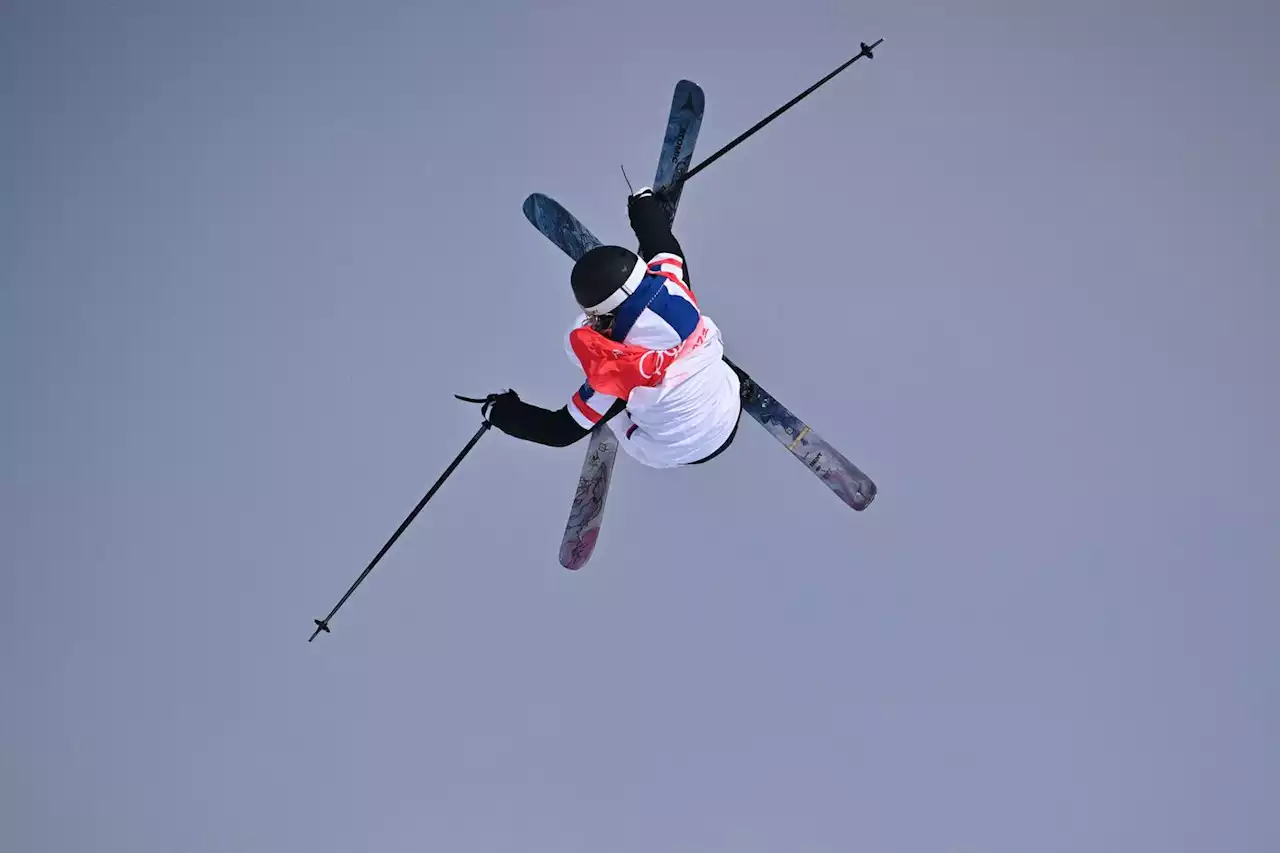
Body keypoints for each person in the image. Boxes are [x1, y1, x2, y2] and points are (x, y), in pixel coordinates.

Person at [480, 186, 744, 469]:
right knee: (691, 328)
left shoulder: (614, 376)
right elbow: (664, 244)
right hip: (729, 408)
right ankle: (684, 362)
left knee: (584, 351)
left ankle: (624, 410)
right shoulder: (672, 285)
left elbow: (558, 431)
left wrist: (500, 412)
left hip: (674, 451)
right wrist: (643, 206)